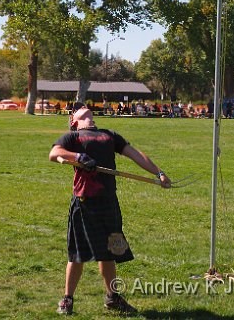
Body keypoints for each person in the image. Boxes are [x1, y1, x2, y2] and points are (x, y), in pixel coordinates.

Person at [49, 105, 171, 315]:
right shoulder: (73, 136)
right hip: (84, 202)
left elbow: (135, 155)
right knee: (78, 254)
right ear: (74, 121)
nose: (84, 109)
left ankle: (112, 297)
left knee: (109, 252)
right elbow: (55, 153)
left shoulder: (109, 135)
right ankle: (67, 299)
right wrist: (78, 158)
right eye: (79, 111)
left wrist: (159, 172)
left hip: (108, 202)